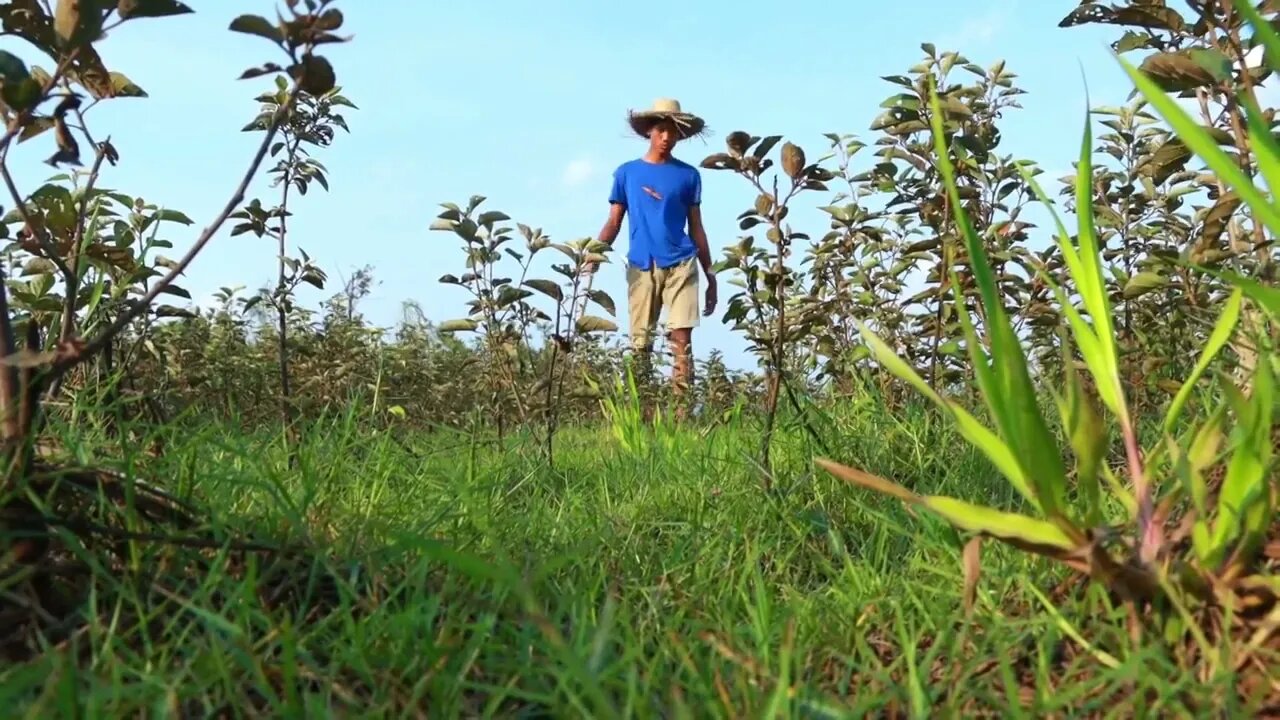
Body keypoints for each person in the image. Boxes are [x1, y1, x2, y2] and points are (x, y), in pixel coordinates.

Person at [592, 98, 717, 415]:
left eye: (672, 132)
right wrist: (592, 254)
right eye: (661, 130)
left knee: (681, 344)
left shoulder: (688, 176)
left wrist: (711, 276)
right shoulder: (627, 174)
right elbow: (614, 221)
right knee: (641, 345)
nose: (666, 137)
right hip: (642, 265)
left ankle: (681, 415)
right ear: (650, 131)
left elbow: (697, 227)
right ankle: (642, 415)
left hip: (682, 263)